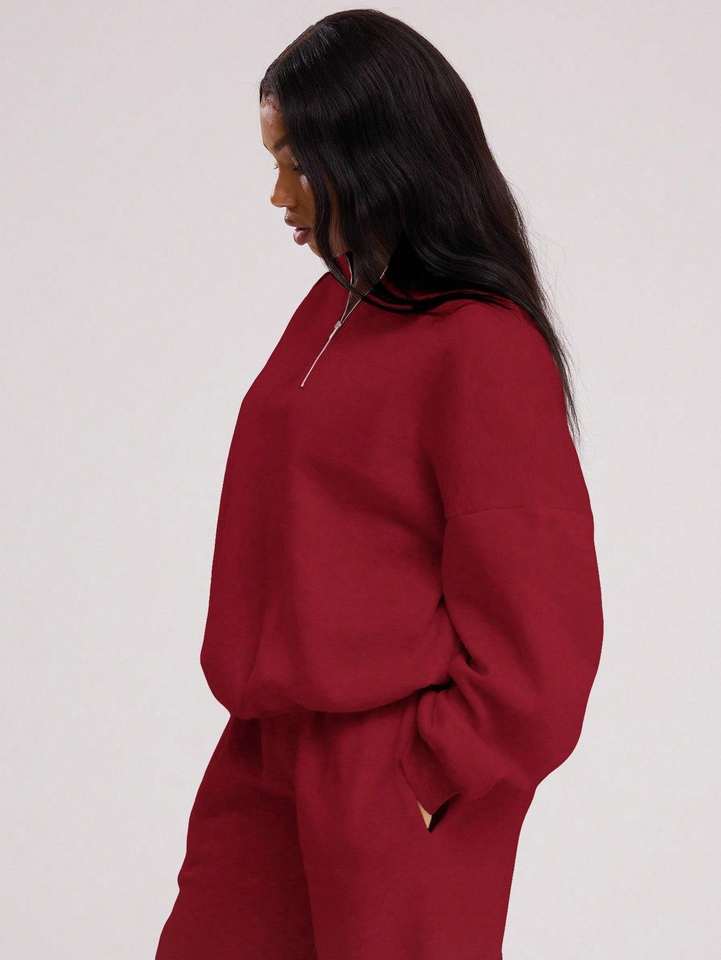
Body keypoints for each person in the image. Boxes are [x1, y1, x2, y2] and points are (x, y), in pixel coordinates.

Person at [155, 9, 604, 959]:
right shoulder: (334, 305)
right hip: (269, 749)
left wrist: (432, 770)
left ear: (375, 158)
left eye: (298, 164)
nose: (278, 194)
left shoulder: (479, 343)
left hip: (396, 770)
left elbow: (541, 622)